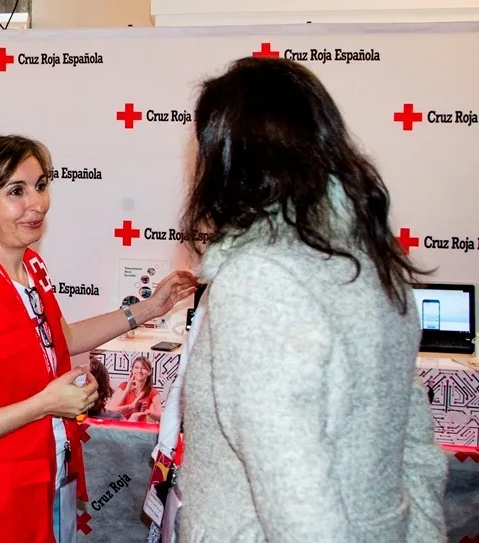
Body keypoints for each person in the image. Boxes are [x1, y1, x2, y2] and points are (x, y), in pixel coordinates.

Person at [168, 57, 448, 541]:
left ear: (230, 157)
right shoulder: (370, 259)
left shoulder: (259, 278)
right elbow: (416, 444)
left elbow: (293, 483)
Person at [0, 134, 197, 543]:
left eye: (41, 185)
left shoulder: (31, 265)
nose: (38, 203)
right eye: (16, 191)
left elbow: (60, 339)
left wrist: (148, 309)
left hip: (42, 481)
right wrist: (44, 404)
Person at [104, 356, 162, 422]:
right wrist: (126, 391)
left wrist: (147, 411)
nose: (140, 371)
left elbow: (161, 416)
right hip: (122, 425)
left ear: (149, 372)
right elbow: (111, 410)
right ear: (132, 370)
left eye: (143, 368)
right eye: (136, 367)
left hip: (140, 428)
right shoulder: (124, 386)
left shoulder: (153, 392)